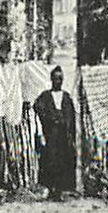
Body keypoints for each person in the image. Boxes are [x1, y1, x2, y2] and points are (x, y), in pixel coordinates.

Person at [32, 65, 77, 200]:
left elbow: (71, 118)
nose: (58, 81)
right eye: (56, 79)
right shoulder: (45, 96)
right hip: (51, 135)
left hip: (63, 136)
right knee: (50, 161)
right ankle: (51, 189)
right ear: (51, 79)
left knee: (63, 161)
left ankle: (60, 190)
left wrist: (69, 133)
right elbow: (37, 107)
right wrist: (51, 118)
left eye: (60, 79)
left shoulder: (66, 97)